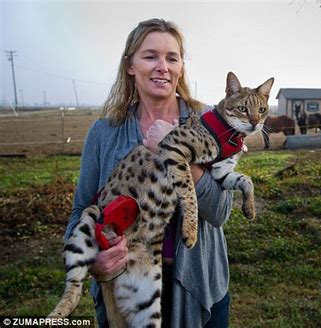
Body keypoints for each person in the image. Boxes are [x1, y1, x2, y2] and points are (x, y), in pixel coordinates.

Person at [64, 18, 233, 327]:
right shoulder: (104, 133)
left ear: (181, 67)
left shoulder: (209, 122)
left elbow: (221, 212)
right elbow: (80, 209)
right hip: (127, 289)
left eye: (172, 58)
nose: (162, 67)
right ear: (130, 65)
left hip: (198, 288)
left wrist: (175, 150)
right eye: (150, 56)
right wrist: (94, 260)